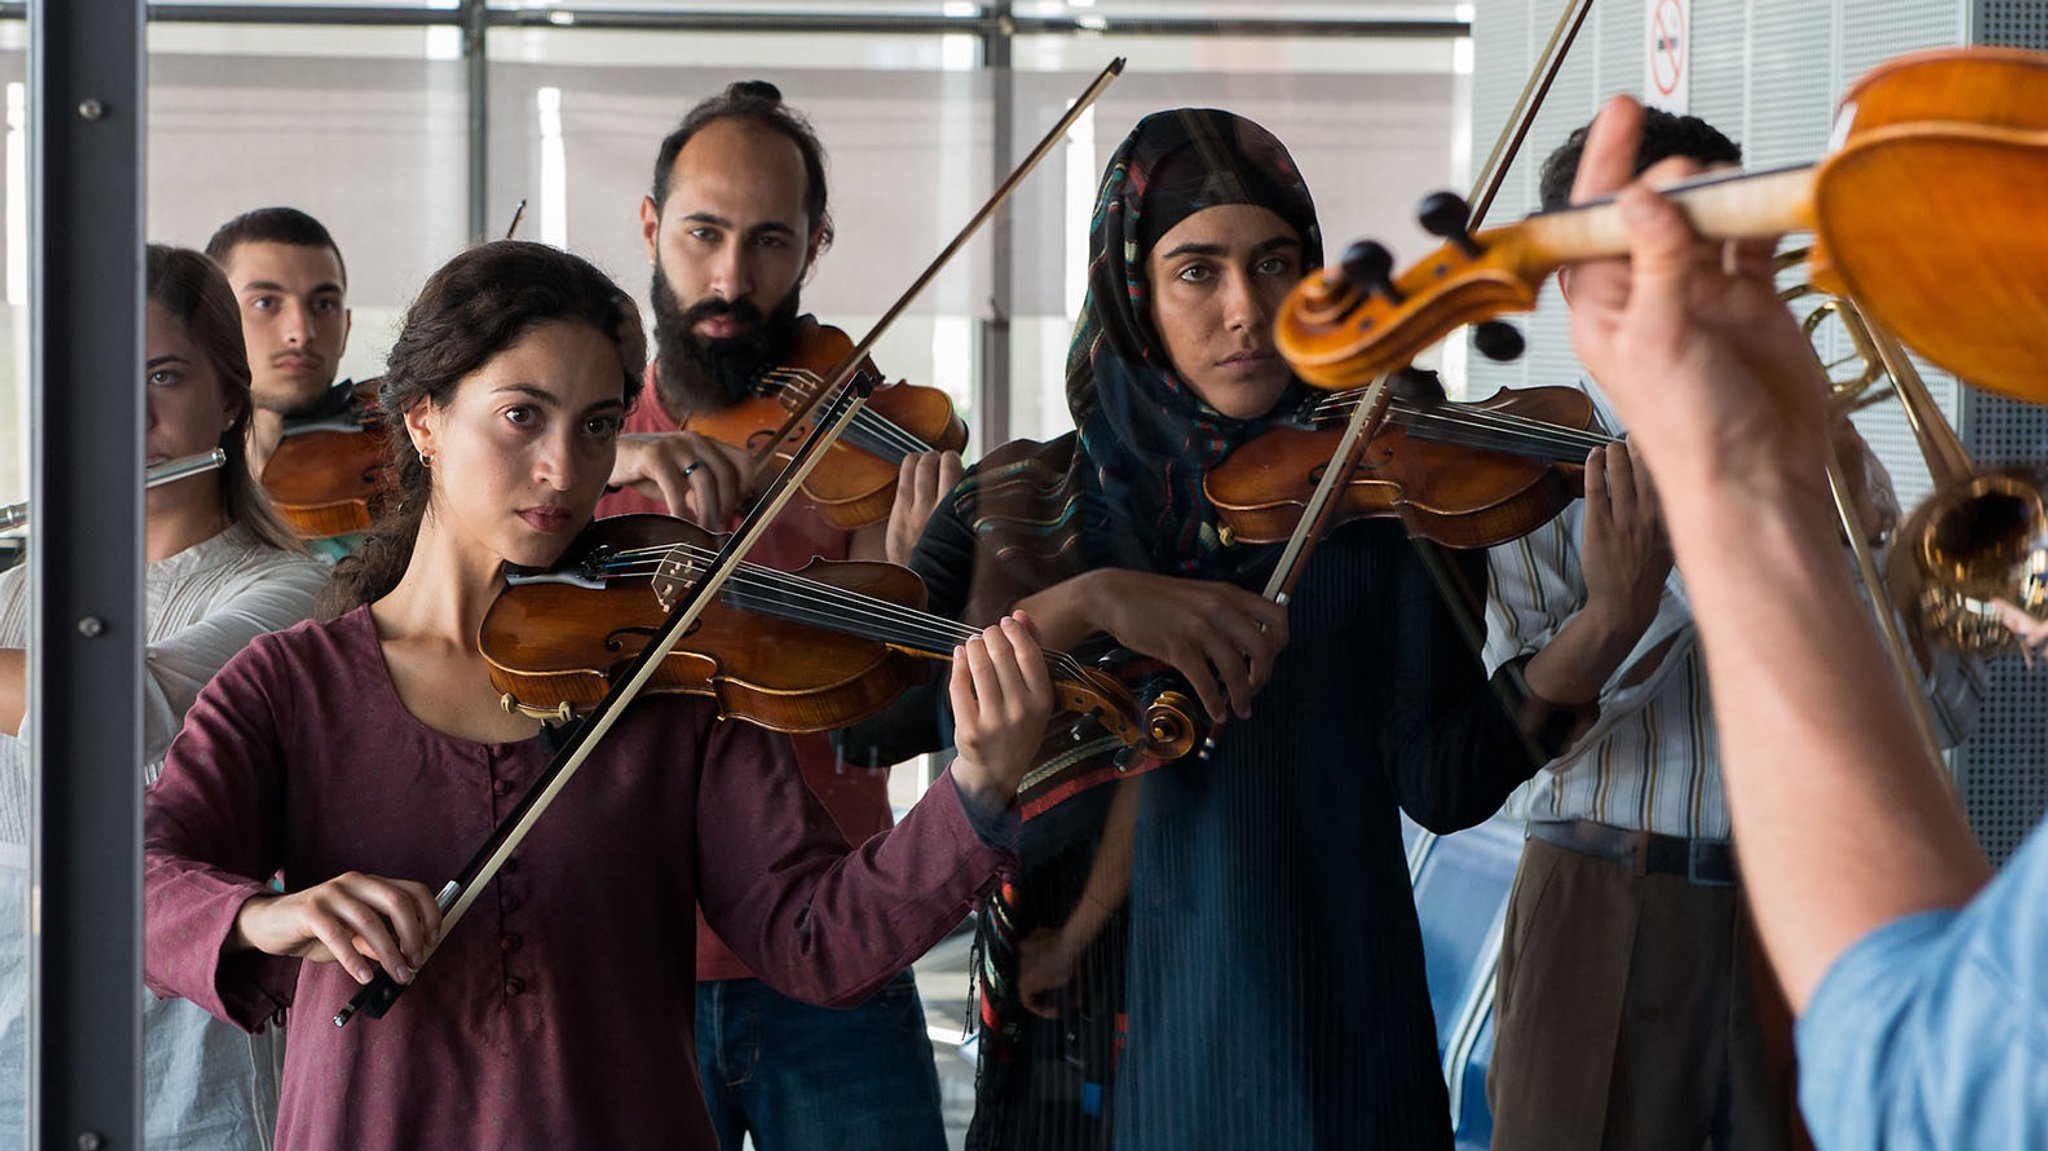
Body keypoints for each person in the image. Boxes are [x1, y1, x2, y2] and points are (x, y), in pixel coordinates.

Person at [141, 240, 1054, 1151]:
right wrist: (272, 914)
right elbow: (133, 880)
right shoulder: (293, 684)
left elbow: (814, 938)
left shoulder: (671, 677)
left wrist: (974, 786)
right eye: (520, 416)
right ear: (423, 420)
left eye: (595, 424)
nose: (563, 470)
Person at [855, 107, 1568, 1150]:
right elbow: (874, 718)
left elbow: (1443, 782)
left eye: (1274, 262)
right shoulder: (1017, 501)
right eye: (1197, 270)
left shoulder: (1372, 492)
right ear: (1132, 288)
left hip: (1316, 1032)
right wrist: (1087, 601)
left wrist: (1599, 635)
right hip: (1083, 1036)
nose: (1244, 308)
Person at [1482, 109, 1984, 1151]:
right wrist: (1682, 557)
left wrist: (1805, 512)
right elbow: (1510, 727)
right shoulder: (1516, 478)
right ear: (1570, 278)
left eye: (1719, 241)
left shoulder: (1835, 460)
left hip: (1805, 906)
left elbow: (1948, 710)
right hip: (1602, 893)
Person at [600, 80, 965, 1151]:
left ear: (815, 244)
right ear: (649, 224)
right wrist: (608, 454)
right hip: (621, 952)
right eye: (703, 233)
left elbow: (876, 709)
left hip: (832, 936)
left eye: (768, 241)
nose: (729, 277)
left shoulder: (865, 432)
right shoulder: (569, 431)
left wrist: (905, 587)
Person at [0, 245, 328, 1149]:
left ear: (229, 396)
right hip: (14, 1042)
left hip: (189, 1057)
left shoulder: (287, 593)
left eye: (164, 374)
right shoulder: (12, 595)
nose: (129, 412)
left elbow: (117, 711)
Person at [209, 206, 750, 552]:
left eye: (324, 304)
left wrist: (619, 449)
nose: (301, 331)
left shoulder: (385, 423)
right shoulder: (174, 489)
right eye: (265, 303)